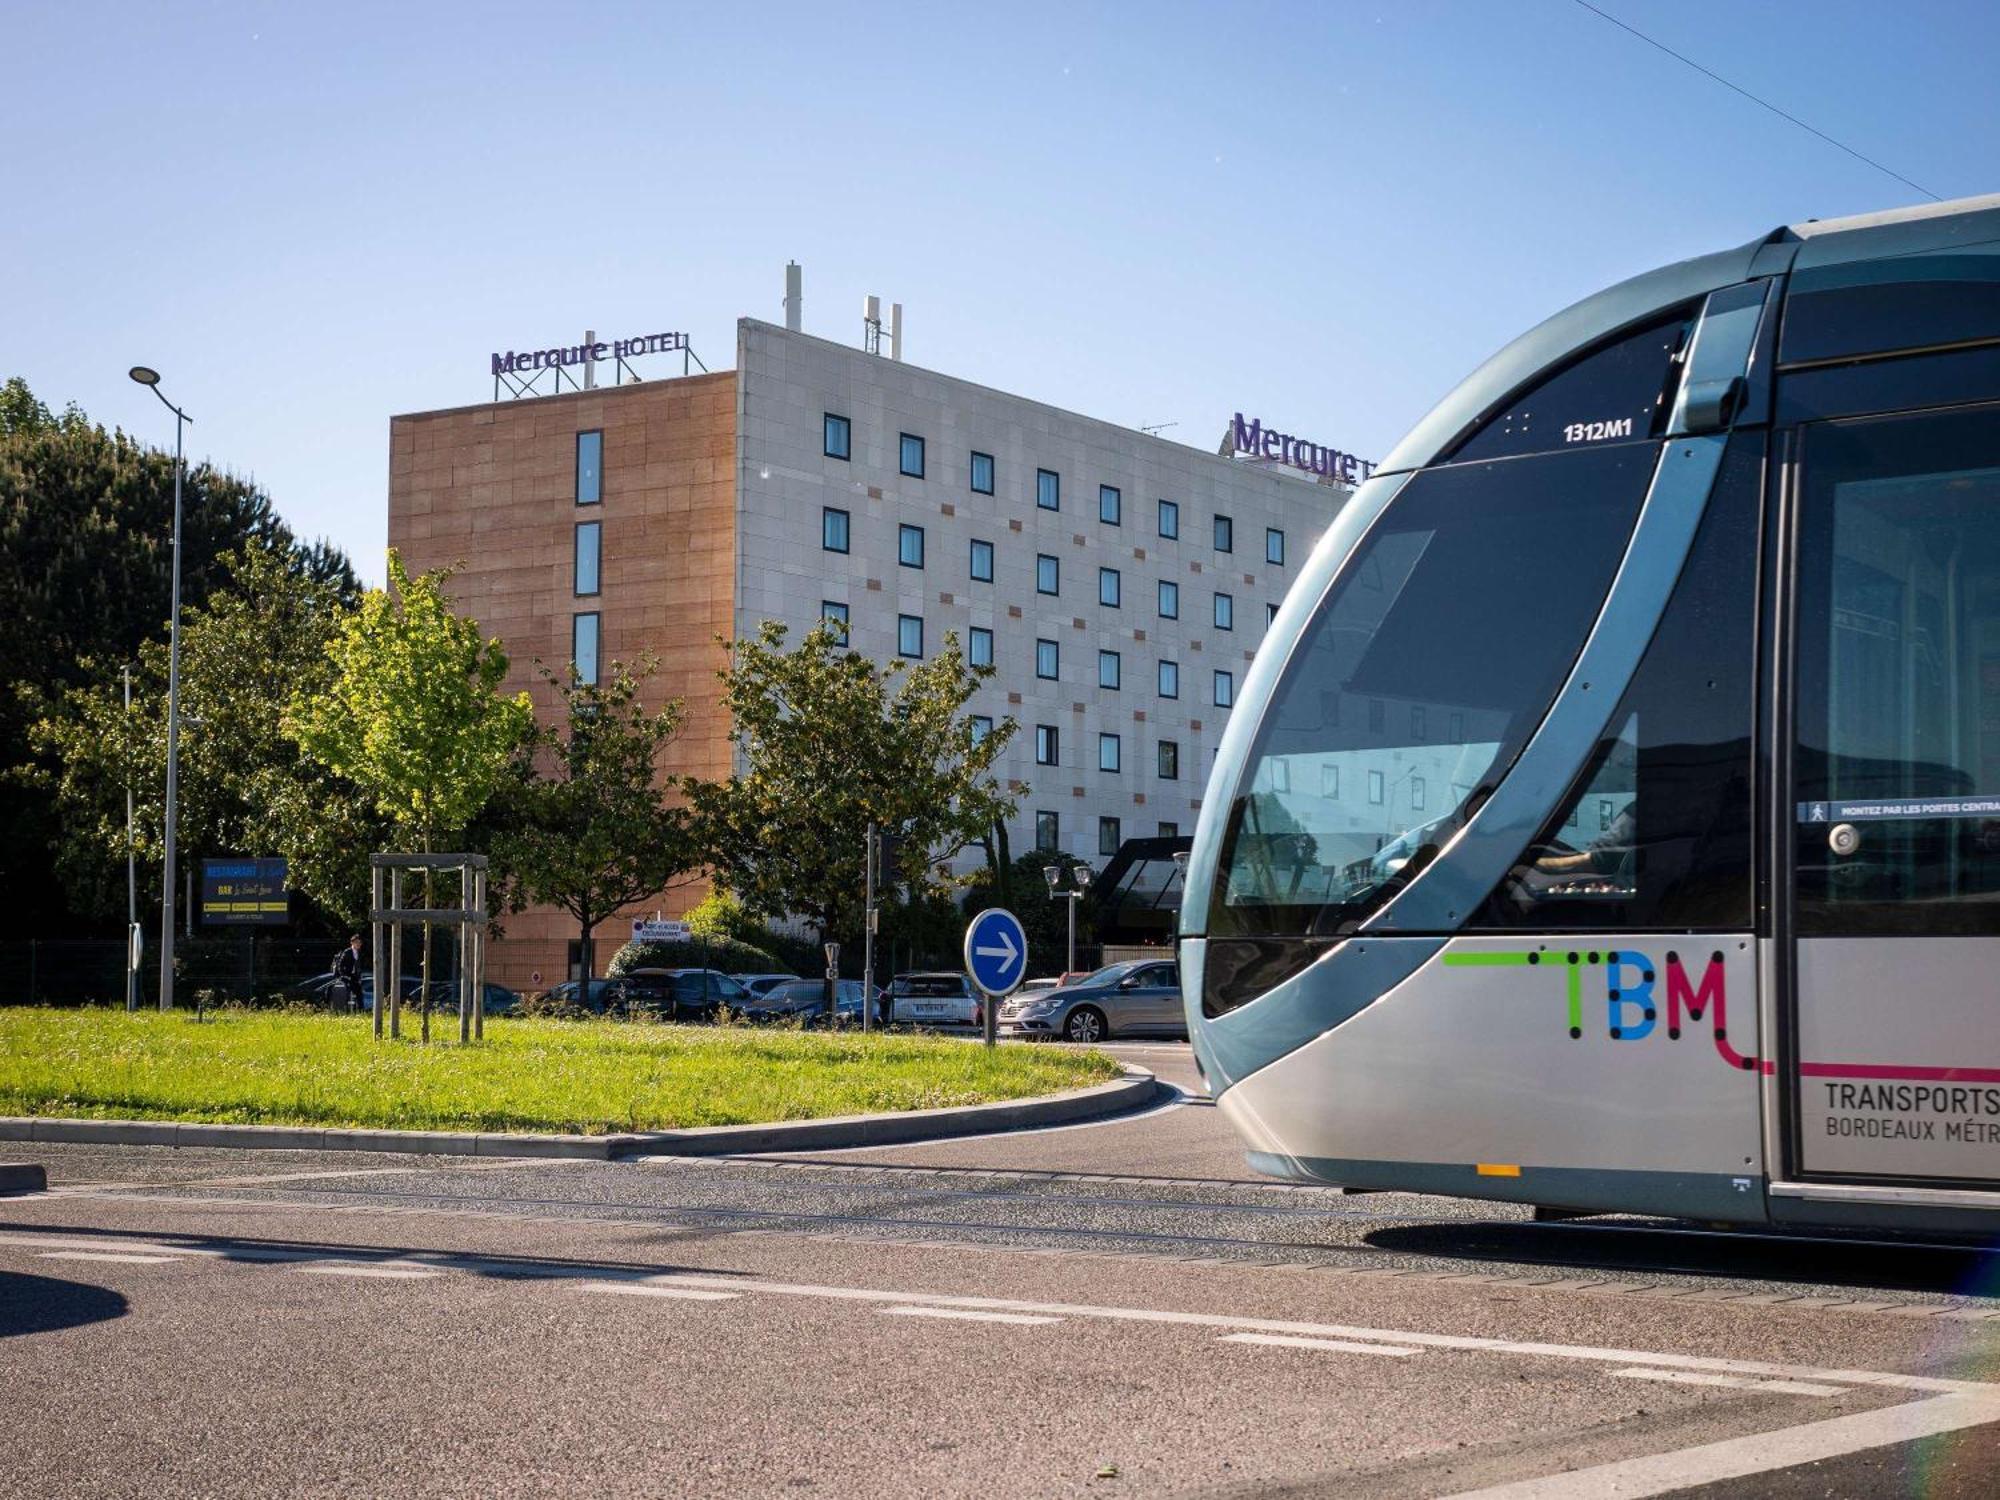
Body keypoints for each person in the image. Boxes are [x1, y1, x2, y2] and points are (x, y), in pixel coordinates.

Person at [333, 934, 365, 1011]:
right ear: (352, 943)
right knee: (347, 994)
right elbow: (340, 965)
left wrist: (359, 976)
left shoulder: (359, 952)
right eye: (357, 942)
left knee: (359, 994)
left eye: (360, 942)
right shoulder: (347, 952)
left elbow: (359, 966)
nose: (359, 944)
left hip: (355, 977)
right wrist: (344, 975)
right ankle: (345, 1011)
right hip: (347, 977)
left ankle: (361, 1011)